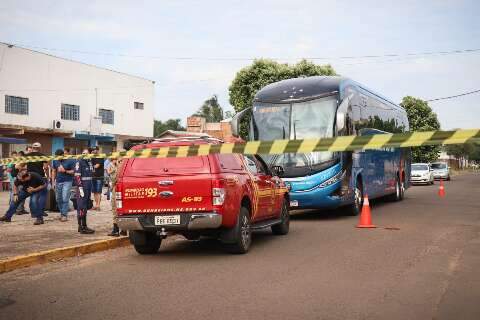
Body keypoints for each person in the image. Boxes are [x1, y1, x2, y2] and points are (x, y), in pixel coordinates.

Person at [73, 148, 95, 234]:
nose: (85, 155)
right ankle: (81, 227)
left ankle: (84, 226)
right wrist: (80, 187)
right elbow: (77, 176)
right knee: (81, 206)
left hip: (88, 186)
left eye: (87, 153)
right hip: (82, 187)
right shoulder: (79, 161)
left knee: (85, 206)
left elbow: (92, 172)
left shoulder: (89, 162)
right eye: (83, 153)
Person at [51, 148, 75, 222]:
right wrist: (53, 182)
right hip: (58, 181)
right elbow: (54, 171)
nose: (58, 159)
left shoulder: (70, 160)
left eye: (59, 157)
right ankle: (62, 213)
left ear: (63, 155)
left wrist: (65, 171)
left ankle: (64, 215)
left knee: (65, 198)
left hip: (67, 181)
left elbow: (74, 171)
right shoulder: (55, 160)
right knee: (58, 199)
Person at [27, 142, 49, 218]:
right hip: (40, 177)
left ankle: (33, 213)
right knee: (42, 195)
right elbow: (46, 168)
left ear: (32, 148)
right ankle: (40, 212)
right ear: (40, 148)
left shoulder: (27, 156)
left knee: (32, 194)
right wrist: (47, 176)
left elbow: (20, 166)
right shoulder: (43, 156)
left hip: (30, 177)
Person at [107, 158, 123, 236]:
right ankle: (124, 230)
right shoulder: (127, 164)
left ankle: (116, 230)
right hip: (125, 188)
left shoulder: (119, 166)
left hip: (117, 188)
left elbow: (114, 179)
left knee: (115, 209)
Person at [90, 146, 104, 211]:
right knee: (94, 192)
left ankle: (98, 205)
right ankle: (96, 205)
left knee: (98, 192)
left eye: (95, 149)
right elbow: (91, 166)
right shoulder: (92, 157)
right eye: (93, 150)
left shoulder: (100, 156)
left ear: (98, 150)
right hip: (93, 176)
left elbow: (96, 166)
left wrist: (91, 166)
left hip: (99, 177)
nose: (93, 151)